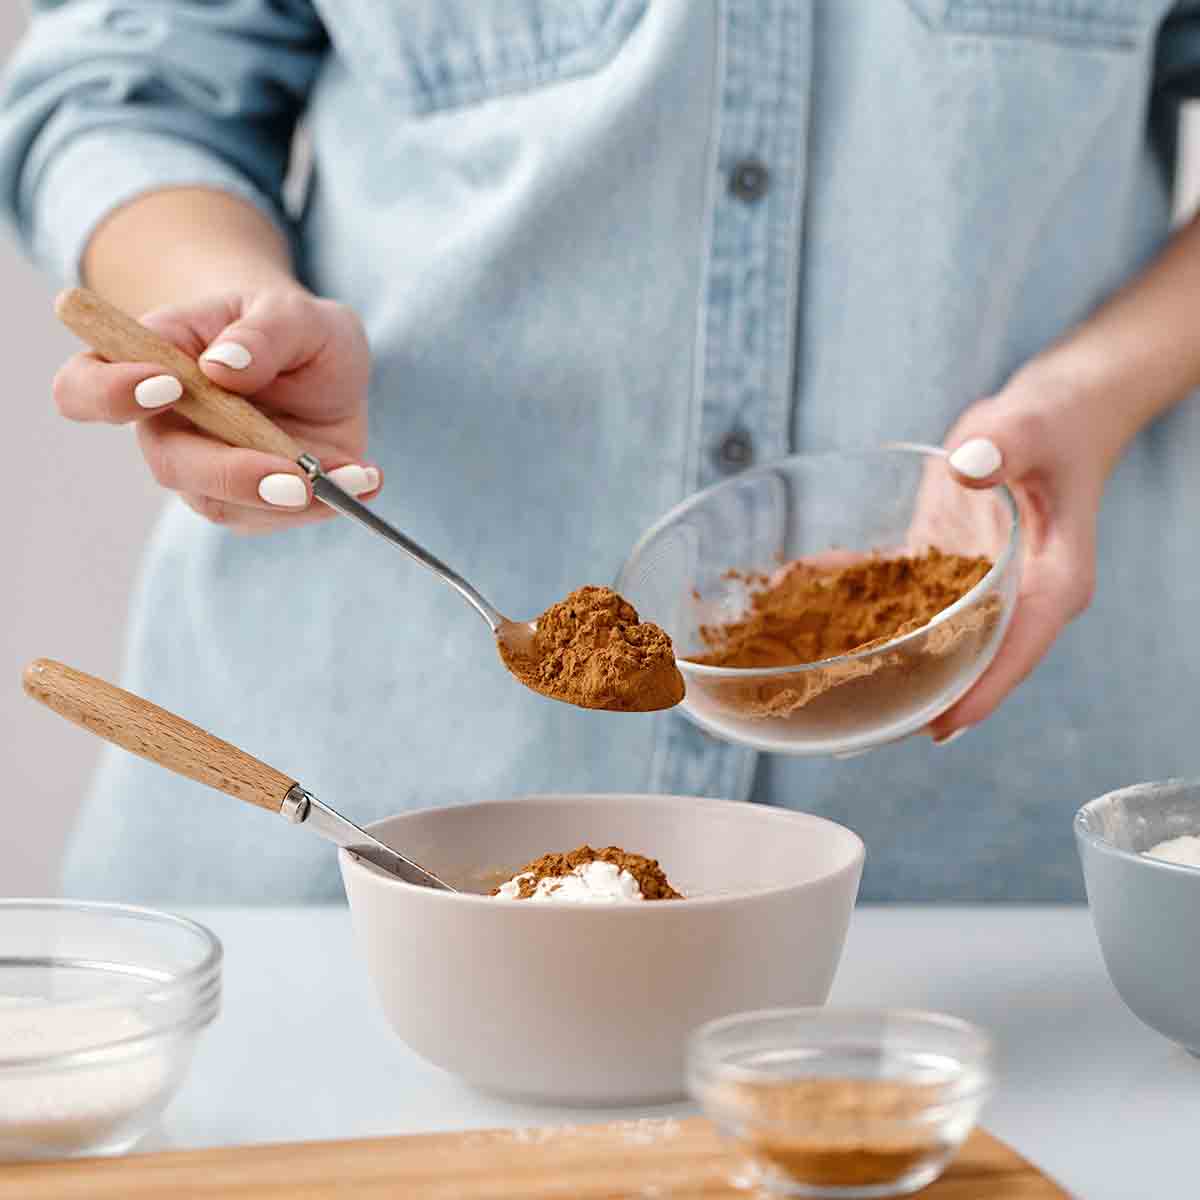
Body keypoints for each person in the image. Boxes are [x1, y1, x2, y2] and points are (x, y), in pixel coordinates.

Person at [2, 1, 1197, 904]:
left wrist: (1097, 391)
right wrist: (223, 309)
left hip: (974, 899)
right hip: (347, 853)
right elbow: (126, 81)